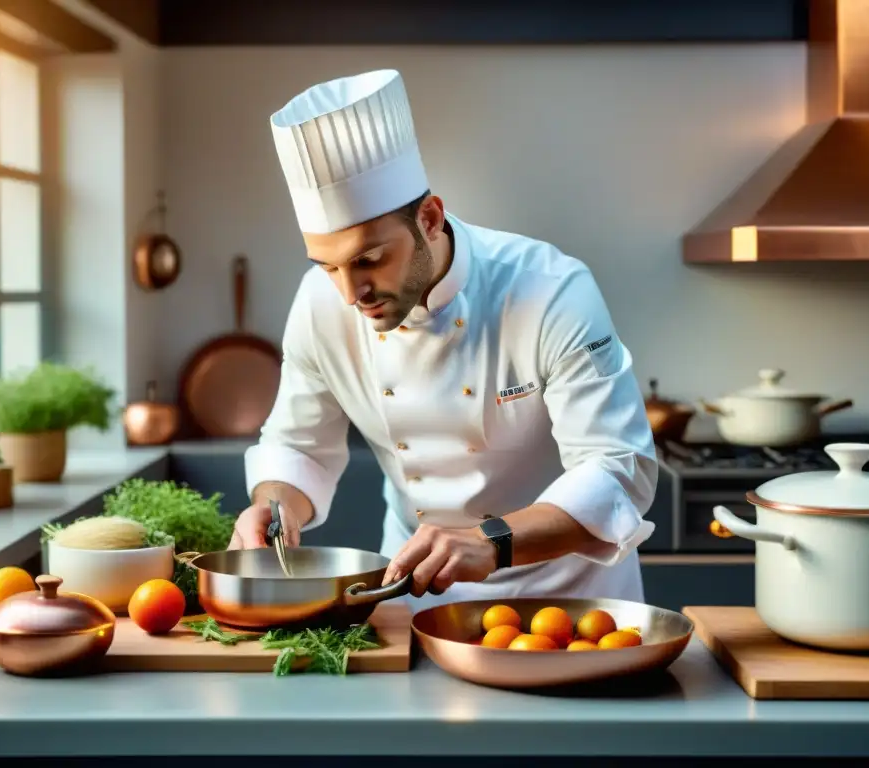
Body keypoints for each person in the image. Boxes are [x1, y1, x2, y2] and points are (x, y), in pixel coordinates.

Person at [230, 68, 658, 610]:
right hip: (416, 595)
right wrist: (275, 508)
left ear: (429, 219)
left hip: (572, 605)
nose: (349, 292)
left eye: (369, 260)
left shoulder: (550, 290)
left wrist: (490, 542)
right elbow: (297, 446)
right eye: (328, 266)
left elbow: (619, 468)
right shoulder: (320, 303)